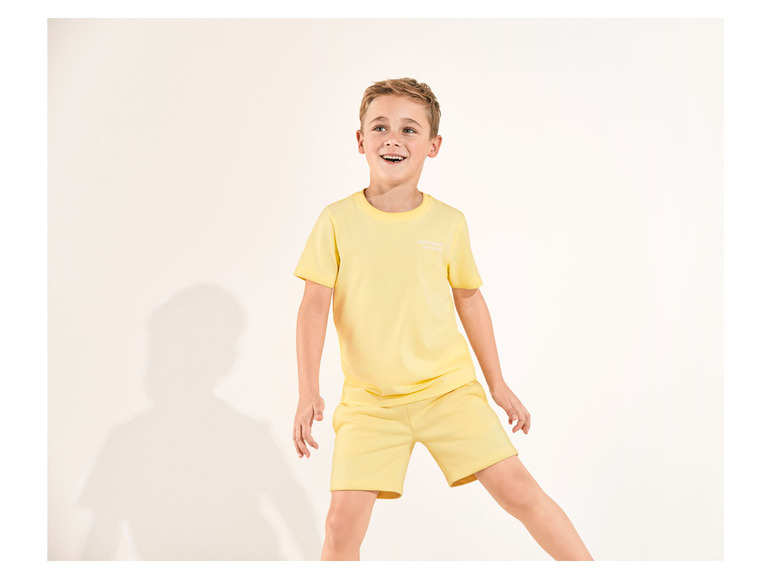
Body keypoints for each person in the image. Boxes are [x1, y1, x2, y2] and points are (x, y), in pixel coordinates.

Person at [292, 78, 593, 561]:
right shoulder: (336, 221)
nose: (393, 139)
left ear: (433, 145)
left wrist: (497, 384)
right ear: (360, 140)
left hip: (447, 391)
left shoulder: (448, 223)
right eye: (380, 127)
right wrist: (308, 390)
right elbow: (313, 307)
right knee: (340, 525)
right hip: (371, 403)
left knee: (519, 492)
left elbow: (470, 301)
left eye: (409, 129)